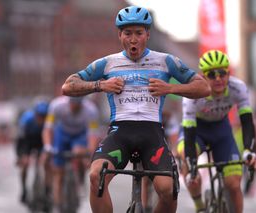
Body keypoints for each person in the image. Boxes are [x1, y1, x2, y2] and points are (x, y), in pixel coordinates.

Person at [61, 5, 211, 213]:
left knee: (168, 191)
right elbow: (68, 86)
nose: (133, 39)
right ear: (120, 35)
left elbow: (204, 87)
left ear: (147, 35)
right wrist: (100, 85)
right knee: (97, 176)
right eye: (128, 33)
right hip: (119, 134)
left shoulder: (166, 61)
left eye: (138, 33)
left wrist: (171, 87)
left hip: (152, 134)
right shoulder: (107, 64)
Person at [177, 49, 256, 213]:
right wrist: (192, 165)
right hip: (197, 131)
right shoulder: (192, 93)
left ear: (229, 73)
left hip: (221, 131)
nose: (219, 78)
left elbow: (247, 122)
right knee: (185, 154)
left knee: (234, 185)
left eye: (222, 73)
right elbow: (189, 130)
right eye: (212, 74)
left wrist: (249, 151)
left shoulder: (238, 88)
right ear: (203, 76)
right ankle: (199, 205)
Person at [41, 95, 100, 212]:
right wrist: (48, 146)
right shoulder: (56, 105)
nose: (74, 106)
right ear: (68, 102)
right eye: (72, 104)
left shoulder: (91, 110)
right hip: (62, 134)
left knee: (78, 152)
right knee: (58, 173)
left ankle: (80, 180)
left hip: (80, 135)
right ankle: (58, 206)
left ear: (82, 103)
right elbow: (48, 128)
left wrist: (90, 154)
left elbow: (93, 135)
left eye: (77, 105)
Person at [15, 100, 49, 203]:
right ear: (35, 113)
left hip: (41, 142)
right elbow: (20, 140)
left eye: (43, 116)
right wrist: (22, 156)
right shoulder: (26, 120)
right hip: (27, 142)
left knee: (47, 163)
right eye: (39, 116)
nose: (41, 119)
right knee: (24, 165)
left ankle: (47, 191)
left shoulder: (48, 122)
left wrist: (46, 153)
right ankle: (24, 189)